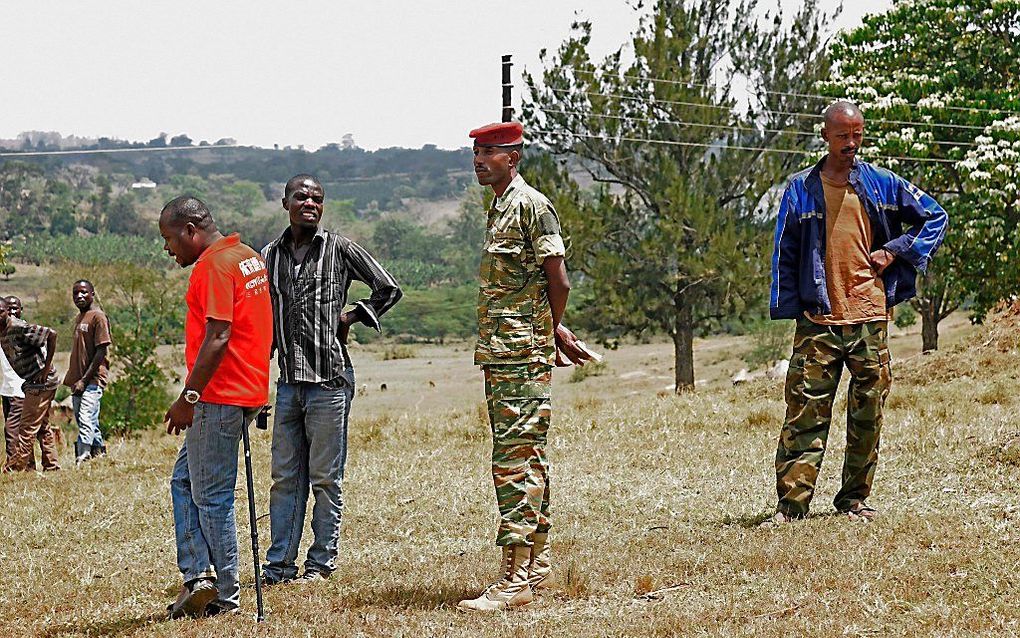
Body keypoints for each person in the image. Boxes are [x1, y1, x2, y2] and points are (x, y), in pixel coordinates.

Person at [765, 101, 948, 525]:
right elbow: (785, 251)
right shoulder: (800, 189)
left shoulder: (881, 183)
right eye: (843, 135)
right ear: (825, 135)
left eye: (858, 135)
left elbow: (934, 217)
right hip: (820, 320)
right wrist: (796, 309)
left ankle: (853, 500)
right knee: (805, 414)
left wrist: (895, 250)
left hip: (869, 316)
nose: (851, 143)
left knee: (868, 413)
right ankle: (792, 507)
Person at [457, 121, 591, 612]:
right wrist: (547, 329)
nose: (478, 160)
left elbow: (559, 281)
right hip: (506, 350)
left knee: (513, 461)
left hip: (519, 354)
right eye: (475, 152)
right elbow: (526, 284)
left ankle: (513, 580)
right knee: (527, 455)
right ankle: (537, 567)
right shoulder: (499, 207)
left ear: (512, 158)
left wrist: (544, 330)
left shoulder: (531, 206)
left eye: (489, 152)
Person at [260, 174, 402, 586]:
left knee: (325, 479)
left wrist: (352, 315)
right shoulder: (269, 256)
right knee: (285, 479)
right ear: (284, 200)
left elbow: (388, 288)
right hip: (288, 383)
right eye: (301, 196)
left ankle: (320, 564)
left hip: (330, 381)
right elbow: (263, 317)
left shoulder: (339, 249)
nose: (310, 203)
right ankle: (279, 566)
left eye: (317, 198)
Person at [159, 195, 272, 618]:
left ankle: (225, 596)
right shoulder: (248, 257)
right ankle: (199, 576)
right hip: (245, 390)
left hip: (217, 396)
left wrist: (189, 396)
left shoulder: (212, 266)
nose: (168, 249)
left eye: (170, 239)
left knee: (213, 497)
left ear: (190, 230)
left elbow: (219, 335)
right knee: (185, 482)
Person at [0, 296, 60, 472]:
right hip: (31, 382)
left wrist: (46, 368)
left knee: (24, 428)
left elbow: (52, 334)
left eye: (1, 312)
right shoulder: (2, 330)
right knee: (42, 425)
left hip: (42, 381)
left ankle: (17, 468)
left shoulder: (18, 328)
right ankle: (51, 466)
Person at [63, 280, 112, 464]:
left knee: (85, 418)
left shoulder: (98, 317)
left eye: (83, 292)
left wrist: (84, 379)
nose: (79, 296)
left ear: (92, 293)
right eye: (75, 293)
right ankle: (99, 455)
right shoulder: (80, 317)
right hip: (78, 380)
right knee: (88, 420)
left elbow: (101, 351)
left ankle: (82, 457)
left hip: (92, 379)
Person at [1, 296, 26, 465]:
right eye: (8, 309)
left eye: (14, 308)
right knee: (16, 429)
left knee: (12, 428)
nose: (11, 312)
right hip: (5, 388)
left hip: (20, 388)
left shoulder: (22, 330)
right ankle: (26, 464)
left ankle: (14, 465)